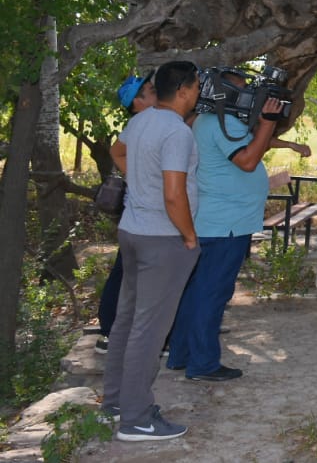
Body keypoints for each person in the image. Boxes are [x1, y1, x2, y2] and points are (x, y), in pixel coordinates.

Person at [166, 70, 309, 381]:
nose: (250, 97)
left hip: (218, 222)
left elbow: (255, 146)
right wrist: (268, 119)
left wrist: (274, 135)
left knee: (198, 291)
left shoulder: (213, 121)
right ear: (225, 94)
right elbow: (247, 161)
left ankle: (181, 354)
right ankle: (202, 363)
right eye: (244, 91)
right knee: (211, 293)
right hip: (225, 224)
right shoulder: (221, 123)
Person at [101, 60, 202, 442]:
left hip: (132, 231)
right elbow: (174, 194)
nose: (197, 93)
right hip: (164, 239)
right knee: (149, 329)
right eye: (195, 87)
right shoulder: (177, 133)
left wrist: (139, 185)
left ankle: (115, 403)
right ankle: (137, 419)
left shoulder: (140, 120)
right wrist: (189, 236)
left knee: (127, 322)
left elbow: (119, 153)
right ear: (183, 91)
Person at [94, 72, 158, 354]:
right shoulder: (138, 125)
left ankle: (113, 330)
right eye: (149, 90)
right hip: (141, 219)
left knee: (130, 273)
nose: (155, 91)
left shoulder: (148, 123)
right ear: (138, 101)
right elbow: (115, 151)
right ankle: (109, 331)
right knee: (126, 274)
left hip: (141, 220)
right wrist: (135, 175)